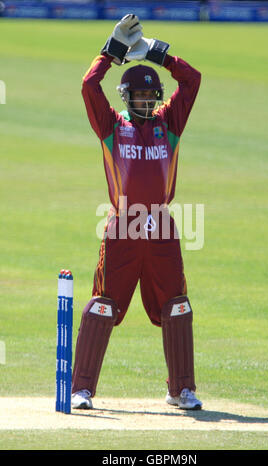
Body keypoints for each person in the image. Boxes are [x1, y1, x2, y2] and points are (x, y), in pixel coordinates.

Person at [71, 14, 202, 410]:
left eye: (152, 97)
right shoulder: (112, 127)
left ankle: (181, 390)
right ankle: (81, 390)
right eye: (139, 97)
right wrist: (111, 51)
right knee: (103, 305)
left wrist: (158, 54)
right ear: (127, 98)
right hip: (123, 228)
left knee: (177, 305)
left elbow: (192, 80)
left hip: (161, 227)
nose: (146, 102)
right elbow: (89, 86)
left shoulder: (170, 123)